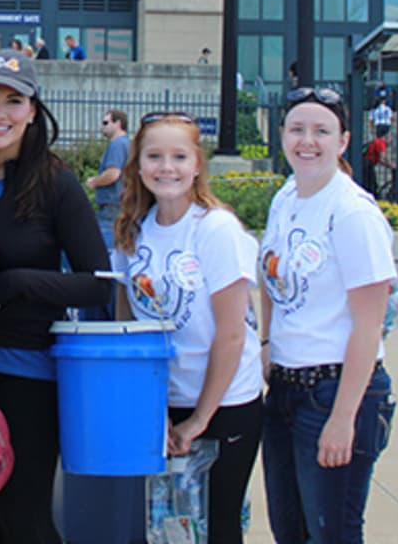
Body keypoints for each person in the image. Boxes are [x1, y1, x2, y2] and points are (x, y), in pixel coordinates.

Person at [0, 48, 112, 543]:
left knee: (23, 521)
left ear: (32, 111)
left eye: (13, 101)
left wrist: (14, 285)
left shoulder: (55, 183)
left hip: (27, 375)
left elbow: (97, 282)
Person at [112, 111, 263, 544]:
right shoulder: (133, 232)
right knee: (164, 530)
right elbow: (128, 326)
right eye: (154, 156)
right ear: (138, 165)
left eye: (179, 156)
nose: (167, 168)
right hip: (163, 402)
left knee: (216, 527)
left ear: (197, 164)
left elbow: (232, 334)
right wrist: (153, 409)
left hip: (224, 403)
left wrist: (199, 419)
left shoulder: (215, 229)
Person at [258, 86, 397, 543]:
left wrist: (343, 418)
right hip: (285, 389)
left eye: (321, 131)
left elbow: (369, 325)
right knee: (290, 530)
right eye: (297, 129)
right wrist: (267, 342)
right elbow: (269, 275)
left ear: (343, 141)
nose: (307, 141)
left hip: (335, 390)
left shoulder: (353, 213)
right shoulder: (286, 198)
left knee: (332, 532)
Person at [86, 109, 129, 250]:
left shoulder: (117, 145)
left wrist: (94, 181)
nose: (102, 127)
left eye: (105, 123)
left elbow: (113, 174)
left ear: (118, 124)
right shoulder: (126, 144)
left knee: (105, 249)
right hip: (120, 205)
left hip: (111, 207)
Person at [362, 124, 393, 198]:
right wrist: (391, 166)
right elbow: (382, 158)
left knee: (370, 184)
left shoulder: (376, 141)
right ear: (386, 135)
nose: (391, 139)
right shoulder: (381, 142)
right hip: (367, 165)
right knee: (372, 187)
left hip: (366, 164)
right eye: (390, 136)